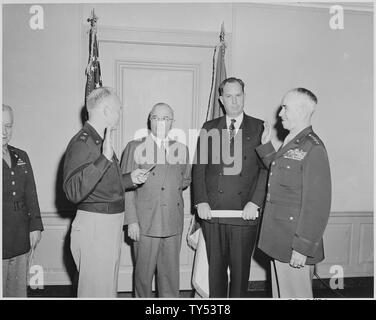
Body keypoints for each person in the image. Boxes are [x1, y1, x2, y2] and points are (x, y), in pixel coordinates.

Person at [63, 87, 149, 297]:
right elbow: (73, 190)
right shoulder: (82, 142)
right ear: (106, 110)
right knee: (94, 292)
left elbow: (102, 184)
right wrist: (104, 158)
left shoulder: (99, 140)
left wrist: (130, 179)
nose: (120, 115)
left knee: (106, 291)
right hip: (95, 226)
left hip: (107, 225)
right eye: (118, 110)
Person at [192, 77, 268, 297]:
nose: (234, 101)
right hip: (213, 212)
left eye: (238, 95)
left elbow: (266, 169)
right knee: (215, 271)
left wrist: (255, 202)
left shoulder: (259, 126)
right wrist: (201, 201)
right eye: (229, 96)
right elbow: (199, 168)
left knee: (240, 273)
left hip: (245, 213)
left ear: (244, 96)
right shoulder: (209, 127)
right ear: (221, 100)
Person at [256, 88, 331, 298]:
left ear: (301, 110)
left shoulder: (313, 147)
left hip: (293, 244)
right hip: (280, 240)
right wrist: (266, 146)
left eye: (285, 108)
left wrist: (302, 247)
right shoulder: (292, 141)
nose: (280, 114)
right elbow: (280, 175)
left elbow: (317, 204)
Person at [121, 103, 191, 297]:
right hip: (145, 223)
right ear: (149, 120)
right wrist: (132, 221)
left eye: (166, 118)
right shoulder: (134, 147)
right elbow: (125, 187)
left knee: (170, 277)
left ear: (172, 122)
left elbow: (185, 180)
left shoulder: (181, 149)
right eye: (157, 118)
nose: (161, 123)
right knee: (143, 276)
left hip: (172, 221)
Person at [2, 104, 44, 297]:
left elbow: (31, 193)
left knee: (17, 291)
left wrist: (35, 226)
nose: (4, 132)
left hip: (20, 236)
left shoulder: (21, 156)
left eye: (8, 126)